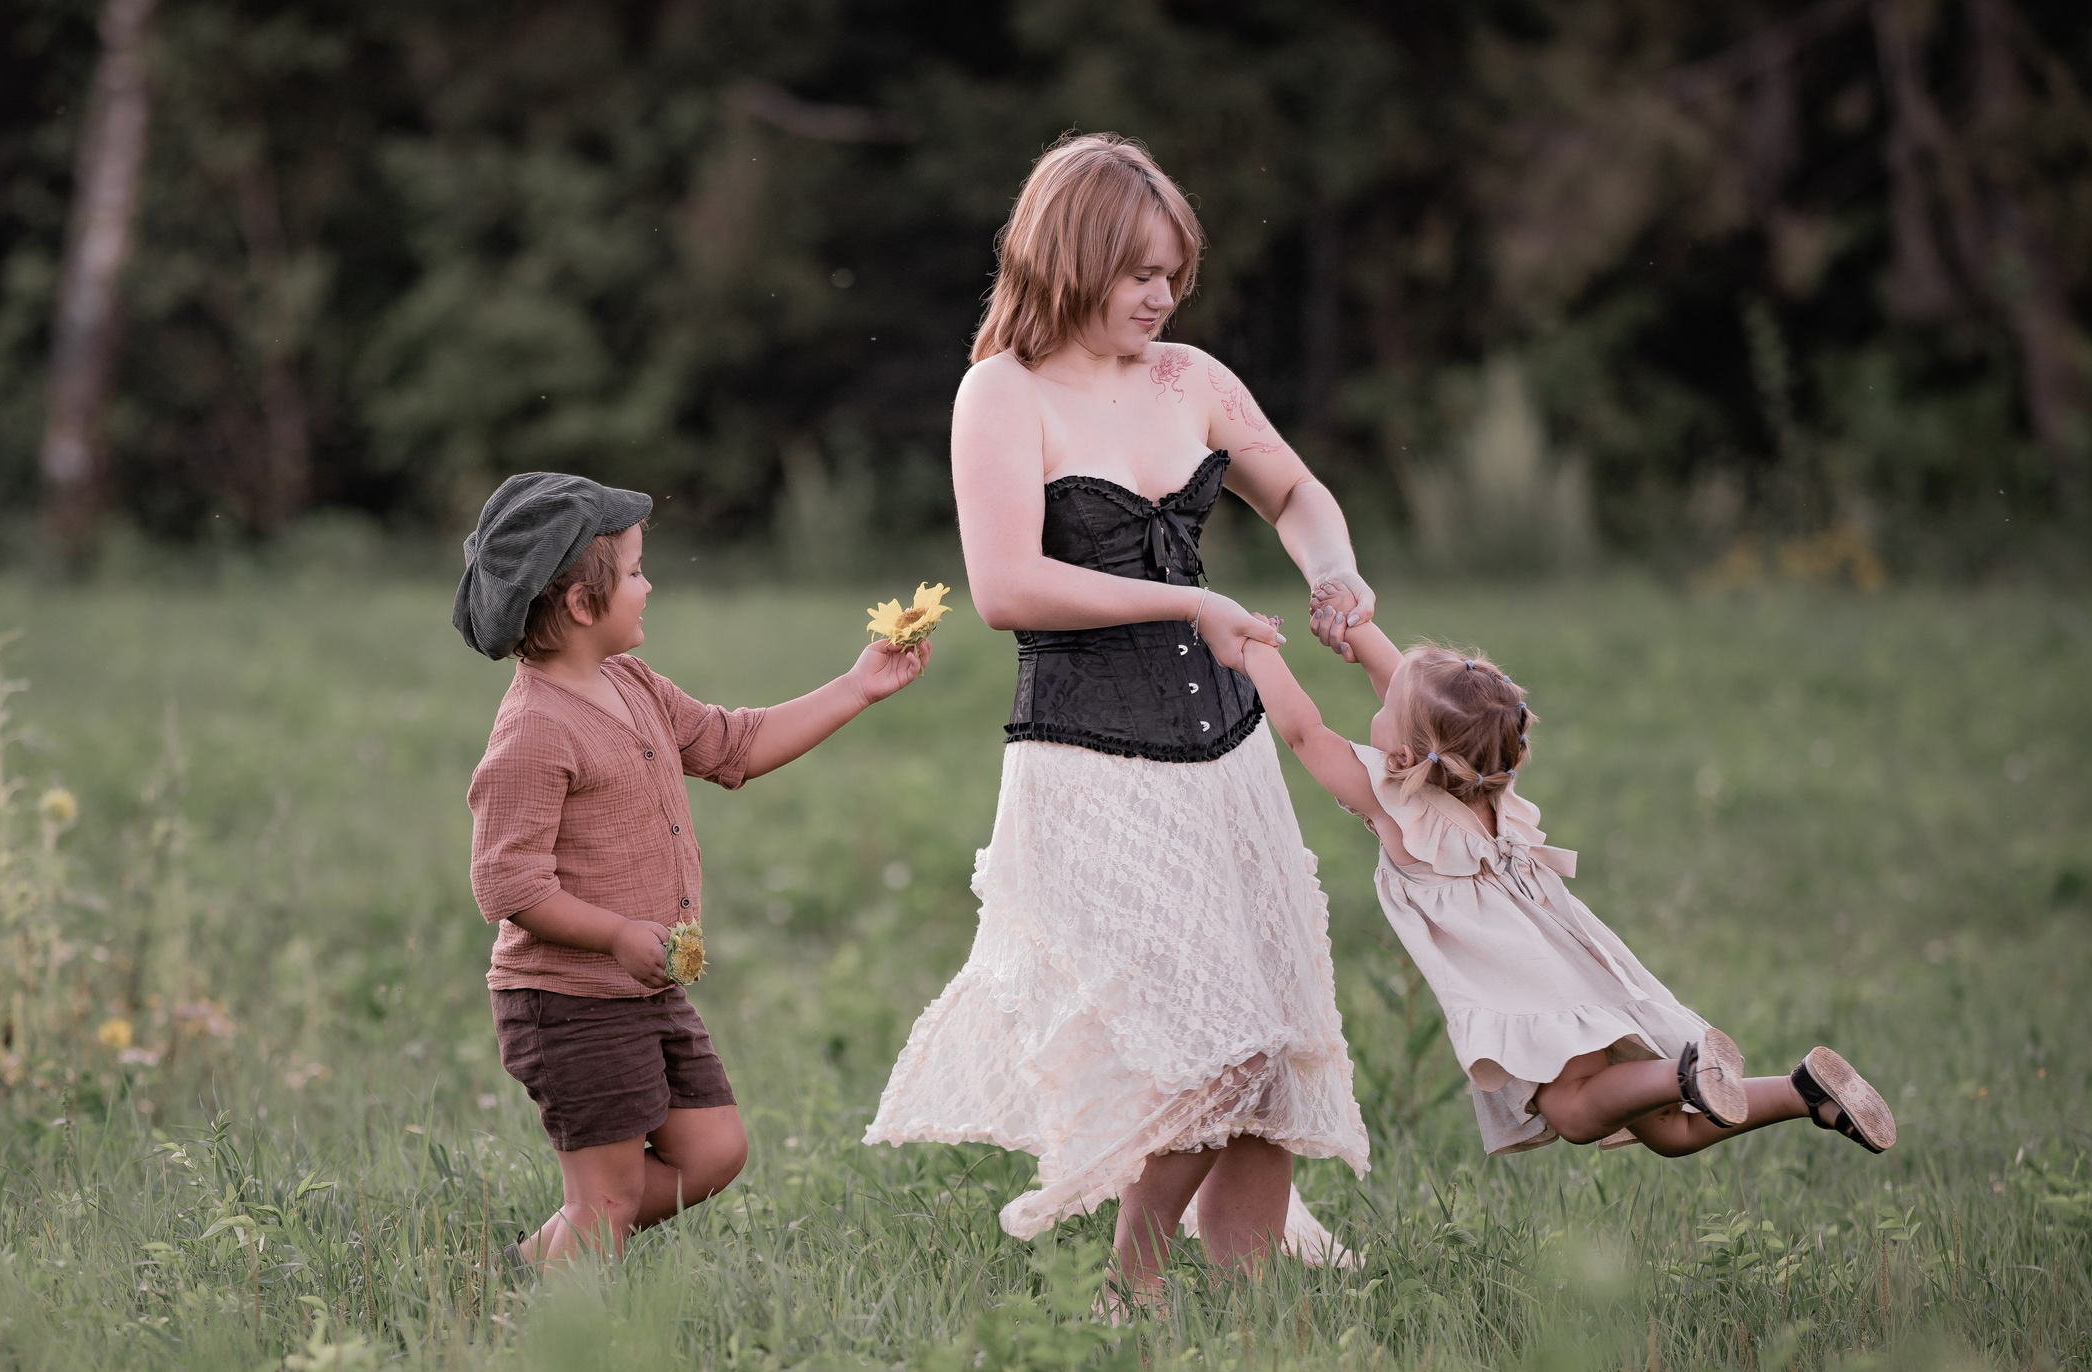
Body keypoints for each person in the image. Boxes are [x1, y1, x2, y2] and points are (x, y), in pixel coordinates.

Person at [864, 133, 1375, 1307]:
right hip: (1089, 761)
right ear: (1071, 254)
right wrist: (1190, 597)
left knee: (1275, 1039)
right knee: (1207, 1039)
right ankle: (1130, 1284)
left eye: (1173, 277)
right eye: (1139, 272)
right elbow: (1004, 588)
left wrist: (1330, 571)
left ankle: (1242, 1312)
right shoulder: (1001, 391)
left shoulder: (1190, 379)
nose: (1160, 297)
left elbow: (1295, 493)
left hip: (1229, 755)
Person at [458, 472, 931, 1267]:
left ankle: (536, 1258)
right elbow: (508, 885)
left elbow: (732, 744)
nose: (650, 585)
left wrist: (858, 687)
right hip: (568, 1001)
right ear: (580, 604)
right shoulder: (535, 730)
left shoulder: (631, 682)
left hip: (643, 985)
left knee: (712, 1150)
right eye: (637, 571)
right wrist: (612, 934)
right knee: (604, 1198)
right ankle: (556, 1323)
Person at [1233, 619, 1897, 1158]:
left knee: (1576, 1115)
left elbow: (1304, 732)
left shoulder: (1399, 811)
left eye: (1389, 712)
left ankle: (1686, 1071)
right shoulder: (1490, 793)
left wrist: (1254, 649)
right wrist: (1361, 629)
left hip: (1530, 991)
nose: (1379, 706)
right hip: (1578, 973)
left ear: (1408, 755)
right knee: (1670, 1133)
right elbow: (1420, 702)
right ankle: (1803, 1090)